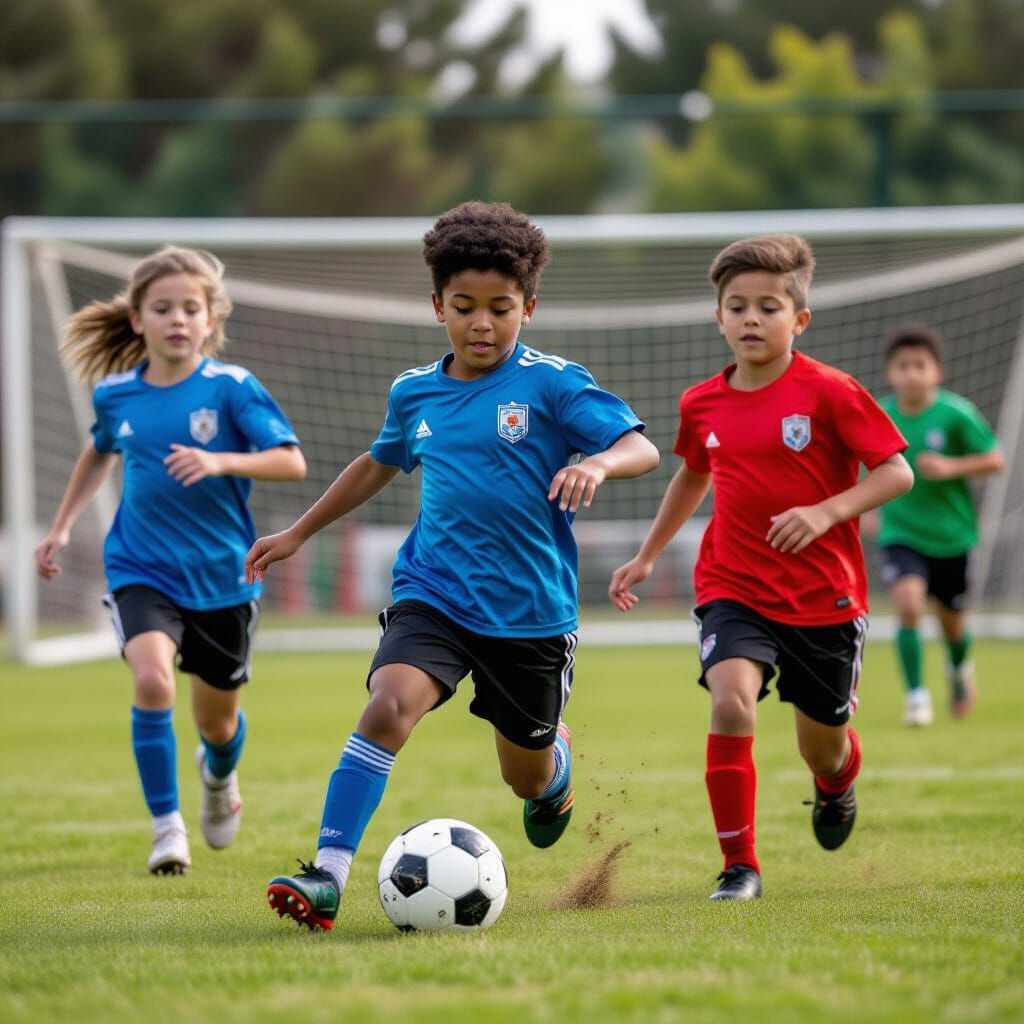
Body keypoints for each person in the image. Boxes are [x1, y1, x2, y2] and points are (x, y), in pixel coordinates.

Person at [246, 201, 659, 931]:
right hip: (433, 594)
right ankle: (328, 876)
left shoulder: (554, 384)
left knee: (522, 775)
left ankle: (553, 772)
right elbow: (379, 463)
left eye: (500, 308)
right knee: (387, 707)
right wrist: (299, 531)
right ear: (437, 305)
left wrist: (597, 462)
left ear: (528, 307)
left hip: (530, 616)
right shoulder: (414, 392)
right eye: (464, 307)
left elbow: (642, 447)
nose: (482, 323)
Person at [609, 234, 913, 902]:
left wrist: (827, 511)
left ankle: (836, 786)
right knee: (731, 701)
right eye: (737, 306)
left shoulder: (831, 392)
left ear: (798, 320)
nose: (751, 318)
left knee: (822, 750)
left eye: (769, 307)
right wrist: (649, 555)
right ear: (718, 316)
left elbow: (897, 471)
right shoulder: (701, 403)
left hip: (824, 599)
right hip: (733, 587)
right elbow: (693, 475)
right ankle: (739, 868)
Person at [35, 246, 306, 875]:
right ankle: (166, 830)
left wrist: (221, 461)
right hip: (141, 568)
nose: (177, 319)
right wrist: (62, 527)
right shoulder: (116, 395)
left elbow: (291, 462)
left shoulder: (233, 389)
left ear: (210, 319)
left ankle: (218, 780)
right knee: (152, 680)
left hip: (222, 578)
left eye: (191, 307)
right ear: (138, 320)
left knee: (217, 725)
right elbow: (98, 453)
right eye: (163, 308)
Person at [874, 324, 1003, 726]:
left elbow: (994, 459)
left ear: (936, 372)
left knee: (952, 624)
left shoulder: (955, 414)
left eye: (920, 365)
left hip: (953, 536)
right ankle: (917, 698)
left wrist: (951, 466)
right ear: (889, 373)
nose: (911, 373)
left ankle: (959, 669)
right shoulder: (880, 416)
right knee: (908, 605)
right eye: (903, 366)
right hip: (901, 533)